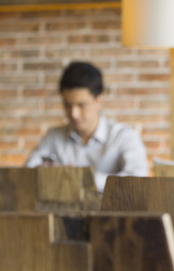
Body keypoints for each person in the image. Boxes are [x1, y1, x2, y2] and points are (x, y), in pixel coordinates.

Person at [25, 61, 148, 193]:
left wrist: (84, 178)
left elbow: (138, 182)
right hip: (61, 212)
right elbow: (26, 175)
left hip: (111, 213)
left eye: (81, 105)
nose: (74, 114)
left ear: (99, 101)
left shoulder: (124, 136)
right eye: (68, 105)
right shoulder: (53, 136)